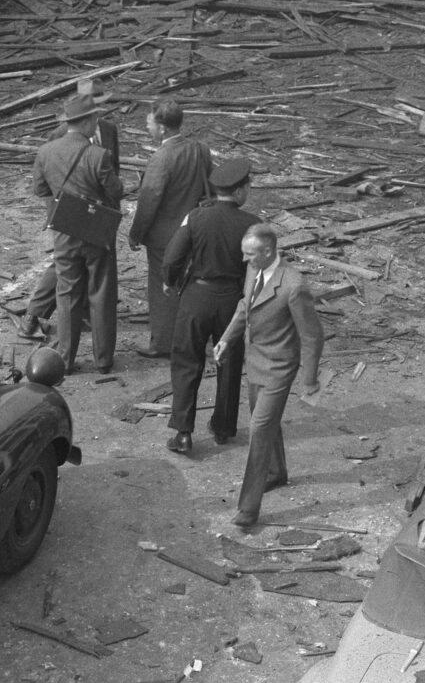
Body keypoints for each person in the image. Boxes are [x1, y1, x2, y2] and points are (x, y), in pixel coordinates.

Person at [210, 225, 325, 531]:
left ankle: (248, 508)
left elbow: (312, 336)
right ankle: (276, 472)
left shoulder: (294, 286)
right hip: (255, 361)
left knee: (259, 430)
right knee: (264, 422)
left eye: (249, 254)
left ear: (268, 252)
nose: (245, 260)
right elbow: (244, 308)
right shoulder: (254, 270)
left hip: (279, 368)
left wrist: (310, 379)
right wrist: (226, 339)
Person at [161, 154, 260, 454]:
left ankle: (182, 432)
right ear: (239, 191)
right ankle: (223, 428)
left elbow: (173, 257)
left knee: (186, 362)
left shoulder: (195, 217)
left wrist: (170, 281)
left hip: (196, 298)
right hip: (233, 301)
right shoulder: (253, 225)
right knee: (228, 363)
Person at [27, 93, 120, 376]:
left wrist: (63, 196)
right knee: (101, 292)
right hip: (95, 231)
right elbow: (116, 191)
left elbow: (39, 190)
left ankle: (65, 360)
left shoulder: (46, 151)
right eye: (95, 119)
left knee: (66, 294)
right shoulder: (98, 155)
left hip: (65, 231)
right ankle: (103, 360)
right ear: (88, 121)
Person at [126, 99, 213, 360]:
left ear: (162, 128)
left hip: (164, 237)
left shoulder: (161, 158)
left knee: (162, 288)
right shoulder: (200, 149)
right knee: (189, 285)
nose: (146, 127)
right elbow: (209, 182)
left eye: (149, 123)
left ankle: (163, 343)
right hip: (194, 230)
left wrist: (136, 233)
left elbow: (149, 199)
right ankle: (192, 337)